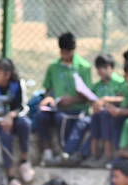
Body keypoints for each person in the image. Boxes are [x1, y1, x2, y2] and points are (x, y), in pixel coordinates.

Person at [36, 32, 93, 165]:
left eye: (68, 52)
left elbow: (88, 95)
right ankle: (47, 152)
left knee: (61, 118)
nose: (65, 55)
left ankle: (65, 154)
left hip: (76, 109)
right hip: (56, 106)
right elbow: (48, 90)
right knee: (41, 116)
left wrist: (72, 100)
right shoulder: (53, 67)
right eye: (63, 51)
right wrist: (48, 98)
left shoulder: (84, 67)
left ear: (73, 51)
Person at [0, 57, 35, 185]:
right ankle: (11, 176)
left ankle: (24, 161)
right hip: (1, 123)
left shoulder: (18, 84)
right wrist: (2, 119)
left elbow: (22, 107)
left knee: (25, 124)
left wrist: (11, 116)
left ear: (7, 74)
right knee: (5, 136)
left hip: (15, 118)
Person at [86, 54, 128, 163]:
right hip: (99, 114)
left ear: (111, 68)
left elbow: (123, 98)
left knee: (105, 116)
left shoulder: (120, 82)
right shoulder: (97, 86)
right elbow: (92, 99)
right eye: (99, 68)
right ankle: (93, 155)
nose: (101, 71)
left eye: (105, 67)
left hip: (114, 114)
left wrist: (107, 100)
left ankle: (107, 155)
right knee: (95, 117)